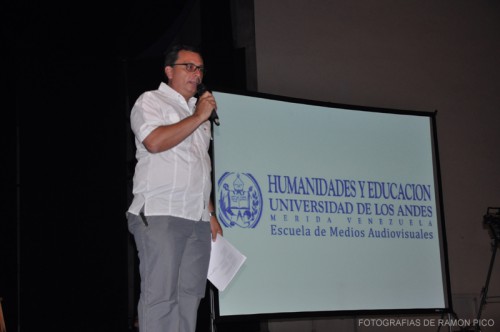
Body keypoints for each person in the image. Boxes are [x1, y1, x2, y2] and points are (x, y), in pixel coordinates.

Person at [127, 44, 223, 332]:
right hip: (161, 213)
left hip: (197, 219)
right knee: (161, 298)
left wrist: (211, 213)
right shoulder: (151, 101)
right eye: (189, 67)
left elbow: (198, 167)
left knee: (189, 299)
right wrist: (198, 117)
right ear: (169, 71)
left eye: (200, 68)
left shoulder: (199, 114)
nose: (197, 73)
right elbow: (154, 142)